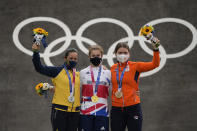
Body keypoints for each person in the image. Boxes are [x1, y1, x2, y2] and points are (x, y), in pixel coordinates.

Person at [110, 38, 160, 131]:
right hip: (116, 109)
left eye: (125, 53)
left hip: (133, 108)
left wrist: (156, 49)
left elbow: (155, 64)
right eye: (120, 53)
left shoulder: (136, 66)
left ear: (129, 54)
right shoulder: (112, 68)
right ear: (115, 54)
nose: (122, 55)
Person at [32, 43, 80, 131]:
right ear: (65, 58)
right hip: (59, 111)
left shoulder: (78, 74)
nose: (73, 60)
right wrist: (36, 52)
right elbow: (39, 68)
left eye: (75, 59)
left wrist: (101, 67)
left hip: (75, 113)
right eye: (71, 58)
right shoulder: (57, 71)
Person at [79, 45, 111, 131]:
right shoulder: (82, 72)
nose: (95, 57)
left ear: (102, 56)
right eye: (93, 56)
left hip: (102, 113)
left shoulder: (108, 73)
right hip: (85, 112)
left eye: (98, 56)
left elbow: (116, 89)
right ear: (89, 56)